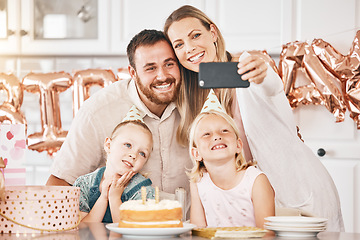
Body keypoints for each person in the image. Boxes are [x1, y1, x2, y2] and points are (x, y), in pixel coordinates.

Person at [164, 5, 344, 231]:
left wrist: (261, 71)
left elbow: (270, 85)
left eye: (196, 35)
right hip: (248, 208)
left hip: (295, 196)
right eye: (179, 44)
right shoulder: (193, 97)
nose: (189, 48)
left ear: (213, 32)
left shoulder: (247, 68)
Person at [46, 30, 192, 213]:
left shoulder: (196, 100)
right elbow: (59, 184)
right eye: (150, 68)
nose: (162, 76)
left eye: (169, 64)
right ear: (133, 72)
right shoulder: (97, 112)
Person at [188, 90, 275, 228]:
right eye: (206, 134)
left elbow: (267, 233)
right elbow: (197, 231)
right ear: (196, 153)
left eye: (224, 131)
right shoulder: (198, 183)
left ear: (238, 145)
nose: (216, 136)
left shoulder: (256, 180)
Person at [74, 106, 155, 223]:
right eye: (128, 145)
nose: (133, 155)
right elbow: (82, 229)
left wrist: (115, 198)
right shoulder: (83, 184)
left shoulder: (143, 191)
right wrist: (104, 198)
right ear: (108, 145)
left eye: (142, 153)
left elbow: (132, 232)